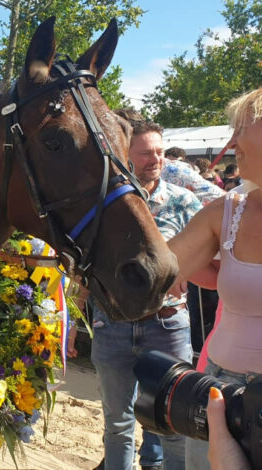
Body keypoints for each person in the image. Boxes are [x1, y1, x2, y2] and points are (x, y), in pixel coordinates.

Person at [90, 115, 201, 470]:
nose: (156, 159)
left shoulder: (184, 202)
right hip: (113, 326)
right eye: (146, 153)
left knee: (173, 423)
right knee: (118, 425)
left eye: (160, 151)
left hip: (167, 327)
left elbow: (211, 252)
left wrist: (188, 269)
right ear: (126, 155)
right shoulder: (104, 204)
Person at [167, 88, 262, 470]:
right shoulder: (226, 211)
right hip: (217, 388)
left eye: (244, 129)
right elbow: (159, 269)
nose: (232, 142)